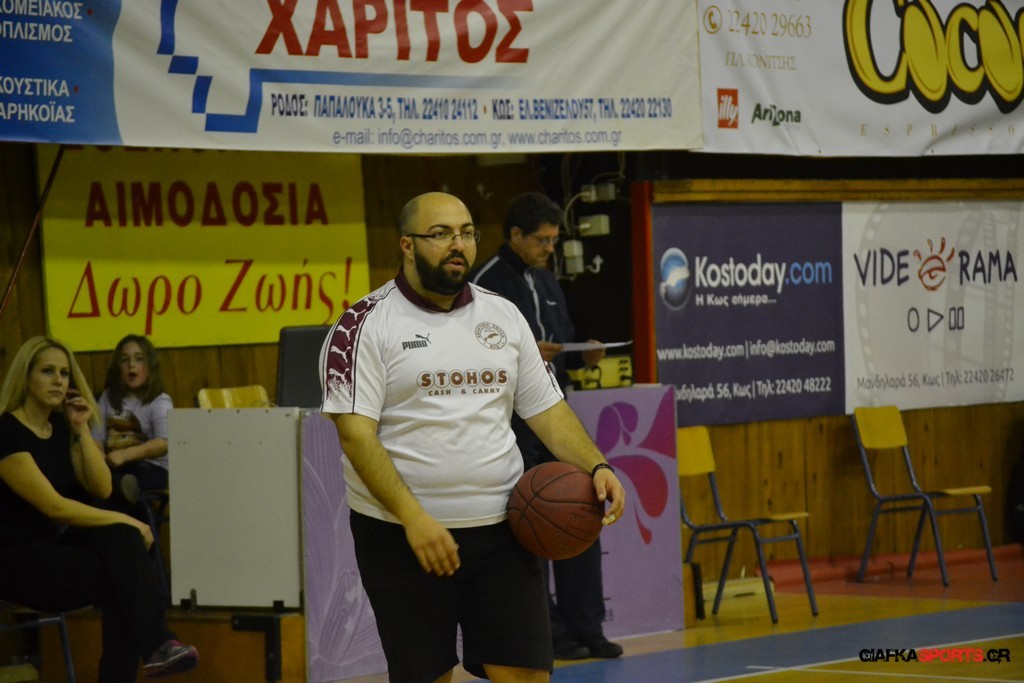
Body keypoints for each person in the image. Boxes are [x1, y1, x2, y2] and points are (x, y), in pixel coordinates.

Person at [320, 192, 626, 683]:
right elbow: (356, 437)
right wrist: (414, 519)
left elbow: (547, 410)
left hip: (503, 529)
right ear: (407, 245)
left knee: (526, 676)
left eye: (465, 233)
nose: (457, 244)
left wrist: (597, 464)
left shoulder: (503, 316)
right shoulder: (362, 325)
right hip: (403, 537)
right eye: (440, 234)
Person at [471, 191, 621, 660]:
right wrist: (524, 353)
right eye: (542, 240)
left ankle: (587, 626)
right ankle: (551, 631)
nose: (550, 248)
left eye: (555, 240)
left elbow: (564, 346)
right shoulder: (485, 285)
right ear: (515, 235)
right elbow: (473, 355)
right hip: (512, 423)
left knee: (580, 511)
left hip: (556, 416)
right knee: (534, 519)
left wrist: (582, 355)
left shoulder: (548, 280)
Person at [0, 336, 199, 680]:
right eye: (48, 371)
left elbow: (102, 487)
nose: (59, 380)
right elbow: (55, 508)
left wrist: (81, 429)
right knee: (122, 570)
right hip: (15, 559)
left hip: (56, 548)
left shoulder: (63, 427)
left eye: (64, 373)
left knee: (123, 547)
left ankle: (159, 646)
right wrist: (126, 520)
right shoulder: (6, 431)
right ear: (26, 377)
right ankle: (155, 646)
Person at [92, 334, 173, 509]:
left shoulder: (159, 400)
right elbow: (96, 439)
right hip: (112, 466)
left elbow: (164, 443)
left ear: (150, 366)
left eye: (139, 359)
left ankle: (121, 491)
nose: (131, 365)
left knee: (119, 482)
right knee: (95, 479)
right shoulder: (107, 398)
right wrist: (100, 458)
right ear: (117, 368)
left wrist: (124, 455)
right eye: (124, 360)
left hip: (151, 468)